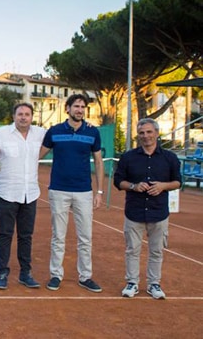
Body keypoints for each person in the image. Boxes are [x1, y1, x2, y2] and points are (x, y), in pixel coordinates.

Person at [39, 94, 104, 293]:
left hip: (84, 191)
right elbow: (37, 156)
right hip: (58, 190)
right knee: (58, 236)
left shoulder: (93, 132)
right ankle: (56, 275)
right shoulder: (54, 131)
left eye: (83, 107)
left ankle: (85, 276)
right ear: (67, 108)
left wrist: (99, 191)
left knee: (85, 237)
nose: (80, 110)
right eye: (76, 106)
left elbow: (99, 162)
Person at [113, 118, 180, 299]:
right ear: (138, 135)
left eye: (149, 132)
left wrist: (162, 186)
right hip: (134, 212)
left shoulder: (170, 158)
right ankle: (132, 282)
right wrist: (134, 186)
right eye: (142, 133)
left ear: (156, 134)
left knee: (156, 251)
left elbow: (177, 181)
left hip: (158, 212)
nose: (146, 136)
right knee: (132, 250)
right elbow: (118, 181)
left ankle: (154, 284)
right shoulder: (128, 157)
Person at [0, 103, 45, 290]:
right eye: (20, 114)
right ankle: (2, 273)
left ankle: (25, 273)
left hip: (31, 193)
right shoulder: (0, 134)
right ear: (14, 116)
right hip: (6, 193)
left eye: (27, 114)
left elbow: (62, 135)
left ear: (31, 117)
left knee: (26, 235)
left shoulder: (40, 133)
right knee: (5, 234)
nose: (23, 117)